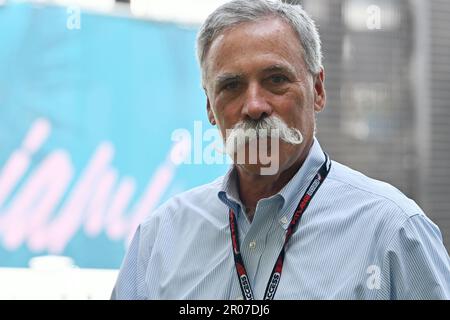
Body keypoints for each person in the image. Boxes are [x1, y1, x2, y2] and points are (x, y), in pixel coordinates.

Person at [112, 0, 450, 299]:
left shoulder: (393, 232)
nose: (254, 106)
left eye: (276, 79)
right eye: (231, 86)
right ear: (210, 110)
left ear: (317, 90)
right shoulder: (158, 241)